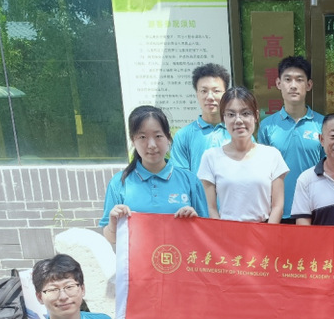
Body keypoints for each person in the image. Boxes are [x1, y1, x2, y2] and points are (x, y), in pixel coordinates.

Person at [101, 105, 208, 244]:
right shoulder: (119, 183)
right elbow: (111, 239)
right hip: (138, 258)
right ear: (133, 140)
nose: (151, 145)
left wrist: (194, 221)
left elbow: (206, 233)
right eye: (142, 137)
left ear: (168, 137)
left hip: (180, 257)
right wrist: (113, 224)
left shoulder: (190, 181)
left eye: (158, 136)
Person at [198, 87, 289, 223]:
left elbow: (278, 207)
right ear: (223, 118)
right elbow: (211, 209)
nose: (238, 120)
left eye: (245, 113)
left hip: (263, 231)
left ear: (256, 116)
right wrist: (220, 232)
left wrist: (268, 233)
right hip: (226, 231)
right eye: (231, 114)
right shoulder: (211, 157)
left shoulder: (272, 155)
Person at [257, 56, 324, 221]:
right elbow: (262, 172)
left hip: (314, 210)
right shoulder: (267, 126)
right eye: (287, 79)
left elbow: (328, 168)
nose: (293, 85)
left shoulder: (323, 124)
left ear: (309, 85)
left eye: (299, 80)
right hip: (278, 212)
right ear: (278, 83)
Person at [169, 63, 232, 173]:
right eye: (204, 91)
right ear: (197, 94)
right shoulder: (183, 136)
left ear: (226, 95)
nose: (210, 97)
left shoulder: (238, 131)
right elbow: (181, 177)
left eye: (216, 91)